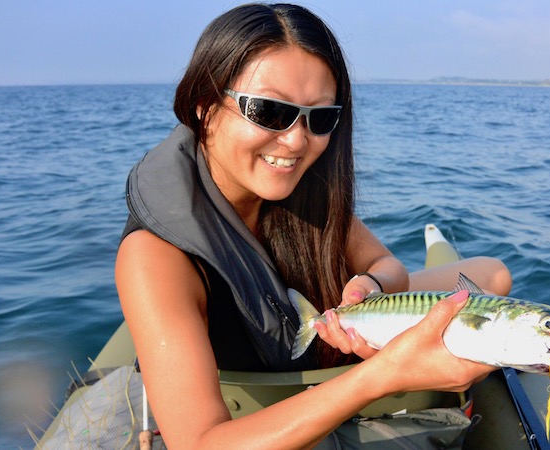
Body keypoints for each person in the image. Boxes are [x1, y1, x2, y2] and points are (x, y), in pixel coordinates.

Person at [115, 3, 512, 448]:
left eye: (320, 118)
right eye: (268, 111)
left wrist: (370, 287)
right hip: (276, 414)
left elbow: (386, 264)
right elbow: (200, 442)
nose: (296, 140)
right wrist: (386, 373)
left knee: (493, 275)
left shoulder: (302, 196)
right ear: (204, 107)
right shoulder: (155, 255)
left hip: (328, 341)